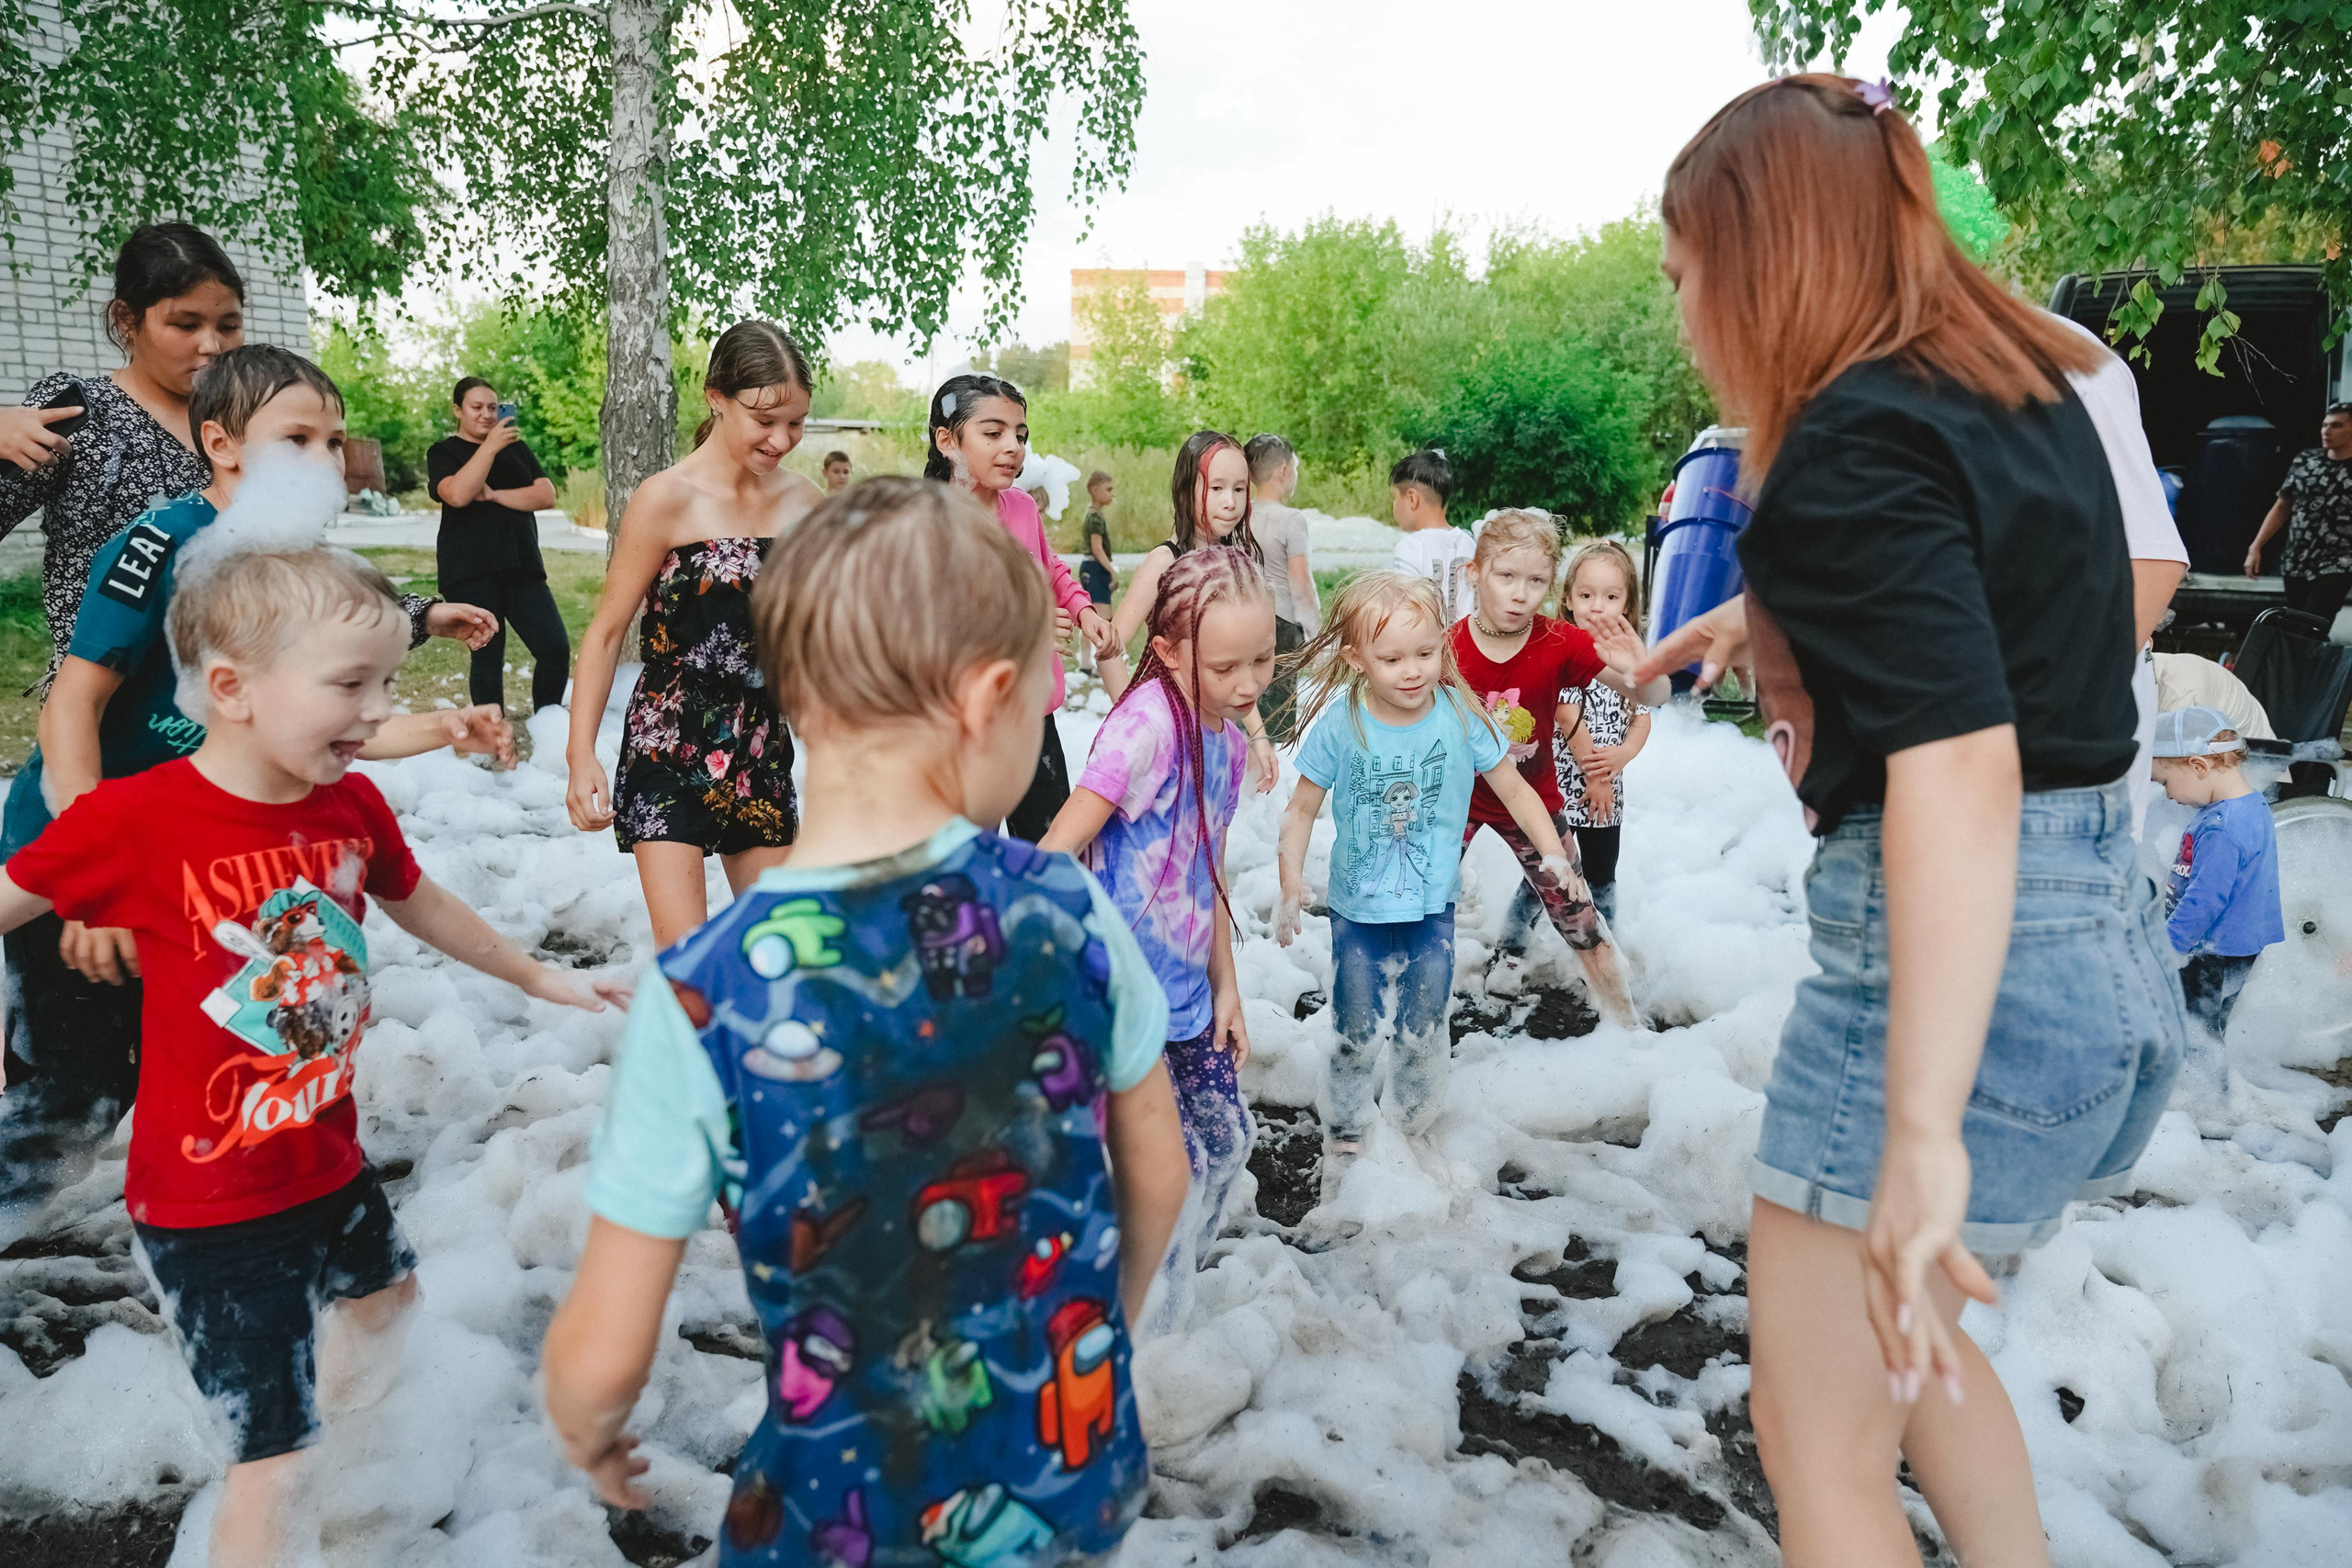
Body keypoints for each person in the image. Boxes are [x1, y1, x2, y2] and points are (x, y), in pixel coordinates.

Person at [1639, 75, 2187, 1567]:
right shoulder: (2022, 393)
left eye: (1688, 274)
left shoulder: (1845, 444)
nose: (1687, 311)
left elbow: (1957, 768)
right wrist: (1764, 607)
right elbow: (2016, 605)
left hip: (1950, 984)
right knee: (1923, 1372)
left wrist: (1927, 1128)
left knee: (1820, 1452)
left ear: (1764, 257)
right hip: (2098, 959)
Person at [542, 478, 1188, 1567]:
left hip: (839, 1514)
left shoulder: (706, 989)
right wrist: (1099, 1336)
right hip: (1062, 1477)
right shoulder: (1068, 907)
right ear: (986, 700)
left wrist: (589, 1429)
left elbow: (602, 1352)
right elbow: (1157, 1176)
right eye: (1044, 695)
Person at [0, 540, 622, 1568]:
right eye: (351, 685)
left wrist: (534, 977)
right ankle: (272, 1465)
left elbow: (416, 901)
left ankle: (340, 1440)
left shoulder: (347, 803)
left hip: (323, 1161)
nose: (381, 710)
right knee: (273, 1468)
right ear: (233, 689)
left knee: (389, 1303)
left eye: (387, 682)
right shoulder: (137, 818)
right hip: (208, 1204)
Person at [0, 346, 503, 1141]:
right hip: (72, 838)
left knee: (203, 1051)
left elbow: (316, 733)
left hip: (184, 853)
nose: (325, 461)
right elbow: (70, 708)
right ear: (221, 443)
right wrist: (92, 874)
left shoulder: (296, 570)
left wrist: (448, 727)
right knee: (76, 1094)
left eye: (334, 443)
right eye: (297, 439)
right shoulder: (161, 543)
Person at [1272, 573, 1589, 1205]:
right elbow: (1301, 809)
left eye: (1426, 653)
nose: (1413, 670)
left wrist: (1554, 852)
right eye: (1391, 659)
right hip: (1357, 912)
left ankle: (1410, 1129)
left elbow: (1517, 789)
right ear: (1355, 658)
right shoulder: (1344, 723)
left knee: (1423, 1026)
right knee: (1354, 1029)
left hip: (1431, 909)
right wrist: (1288, 882)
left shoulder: (1459, 718)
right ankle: (1347, 1138)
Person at [1040, 546, 1271, 1318]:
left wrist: (1227, 987)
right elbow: (1052, 850)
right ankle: (1146, 1337)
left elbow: (1210, 866)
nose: (1248, 685)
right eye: (1227, 666)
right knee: (1169, 1170)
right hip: (1122, 1001)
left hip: (1186, 997)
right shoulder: (1145, 731)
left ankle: (1163, 1301)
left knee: (1229, 1141)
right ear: (1168, 652)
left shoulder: (1229, 740)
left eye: (1263, 660)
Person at [567, 322, 820, 948]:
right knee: (689, 967)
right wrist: (579, 755)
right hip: (669, 740)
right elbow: (604, 634)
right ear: (716, 397)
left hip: (762, 745)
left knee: (778, 954)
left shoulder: (807, 504)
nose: (781, 439)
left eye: (796, 422)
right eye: (764, 419)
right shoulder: (665, 500)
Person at [1452, 511, 1654, 1024]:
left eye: (1536, 580)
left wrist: (1642, 670)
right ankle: (1415, 1023)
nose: (1521, 593)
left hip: (1534, 800)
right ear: (1474, 574)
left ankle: (1627, 1029)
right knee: (1420, 906)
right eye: (1506, 577)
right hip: (1458, 799)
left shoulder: (1560, 642)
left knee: (1579, 913)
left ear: (1550, 584)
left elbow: (1653, 698)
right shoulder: (1449, 646)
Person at [924, 375, 1120, 839]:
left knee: (1049, 848)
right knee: (975, 858)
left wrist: (1084, 611)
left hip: (1033, 718)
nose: (1013, 446)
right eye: (993, 433)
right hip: (965, 726)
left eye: (1020, 435)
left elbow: (1052, 570)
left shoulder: (1021, 509)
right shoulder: (926, 525)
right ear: (947, 440)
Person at [1108, 430, 1280, 790]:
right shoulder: (1164, 561)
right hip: (1165, 725)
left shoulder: (1240, 565)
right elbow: (1109, 648)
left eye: (1239, 488)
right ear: (1187, 490)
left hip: (1215, 727)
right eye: (1216, 489)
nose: (1230, 502)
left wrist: (1259, 737)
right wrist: (1132, 723)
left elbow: (1242, 666)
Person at [428, 379, 571, 713]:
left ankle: (546, 724)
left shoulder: (516, 448)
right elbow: (458, 494)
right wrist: (489, 448)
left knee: (554, 647)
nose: (486, 414)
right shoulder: (443, 452)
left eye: (492, 407)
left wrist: (494, 495)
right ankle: (491, 736)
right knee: (488, 654)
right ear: (457, 410)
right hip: (470, 568)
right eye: (476, 407)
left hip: (522, 565)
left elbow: (546, 495)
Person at [2152, 706, 2283, 1038]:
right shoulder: (2250, 805)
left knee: (2196, 1031)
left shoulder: (2223, 828)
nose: (2167, 794)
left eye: (2165, 782)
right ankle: (2205, 1084)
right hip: (2231, 945)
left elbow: (2206, 899)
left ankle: (2205, 1088)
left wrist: (2168, 947)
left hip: (2214, 949)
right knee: (2205, 1027)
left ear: (2197, 766)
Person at [1547, 541, 1653, 927]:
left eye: (1610, 596)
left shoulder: (1629, 657)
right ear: (1569, 599)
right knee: (1549, 874)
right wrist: (1596, 776)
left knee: (1602, 874)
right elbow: (1566, 715)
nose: (1596, 605)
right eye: (1586, 594)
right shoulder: (1566, 649)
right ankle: (1512, 948)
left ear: (1626, 604)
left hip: (1607, 792)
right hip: (1562, 788)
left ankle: (1606, 946)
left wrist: (1624, 754)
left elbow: (1642, 716)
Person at [2244, 400, 2352, 623]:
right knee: (2296, 625)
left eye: (2336, 425)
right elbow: (2283, 506)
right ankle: (2310, 658)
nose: (2326, 431)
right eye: (2324, 425)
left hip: (2337, 562)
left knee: (2311, 625)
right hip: (2297, 559)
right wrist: (2256, 547)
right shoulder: (2306, 461)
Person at [1246, 433, 1319, 741]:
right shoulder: (1291, 519)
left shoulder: (1239, 514)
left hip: (1244, 618)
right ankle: (1272, 779)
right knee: (1278, 707)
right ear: (1284, 471)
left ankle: (1246, 773)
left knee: (1247, 697)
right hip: (1282, 624)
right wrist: (1315, 629)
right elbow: (1299, 581)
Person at [1388, 448, 1474, 624]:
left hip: (1428, 648)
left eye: (1395, 497)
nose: (1394, 505)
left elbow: (1405, 611)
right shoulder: (1470, 543)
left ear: (1412, 498)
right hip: (1468, 646)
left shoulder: (1410, 547)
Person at [2152, 650, 2275, 739]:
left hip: (2254, 765)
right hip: (2222, 758)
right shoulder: (2152, 665)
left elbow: (2175, 759)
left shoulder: (2181, 695)